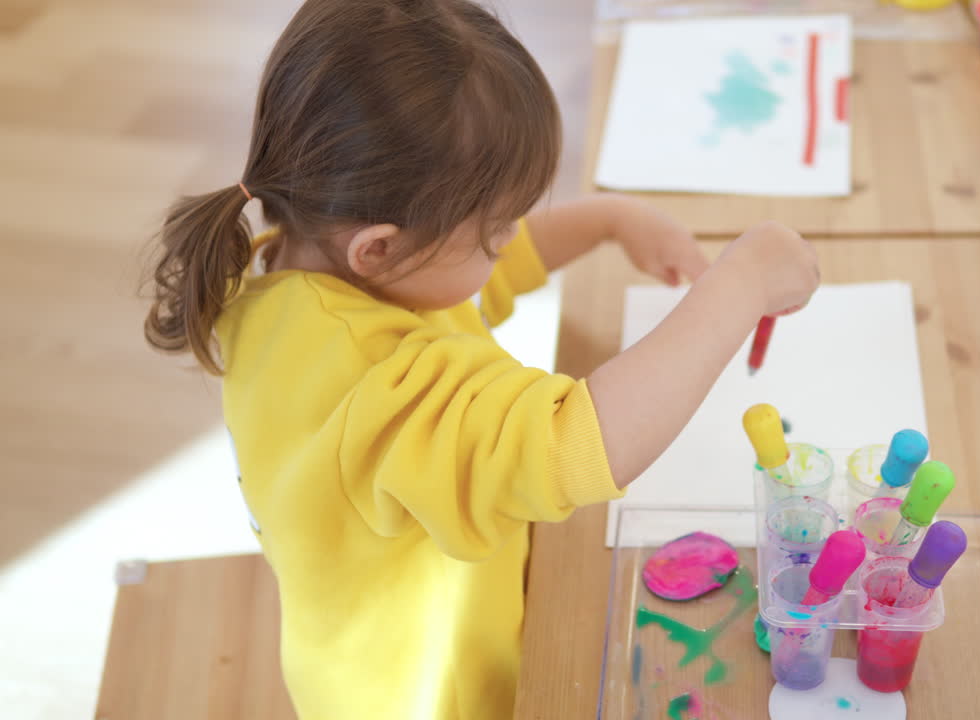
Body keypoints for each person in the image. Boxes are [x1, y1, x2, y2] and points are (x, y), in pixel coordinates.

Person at [142, 1, 818, 718]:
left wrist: (606, 219)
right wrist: (737, 288)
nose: (506, 244)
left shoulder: (299, 270)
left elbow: (457, 281)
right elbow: (572, 446)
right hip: (434, 692)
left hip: (362, 650)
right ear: (379, 247)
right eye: (494, 232)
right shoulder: (377, 389)